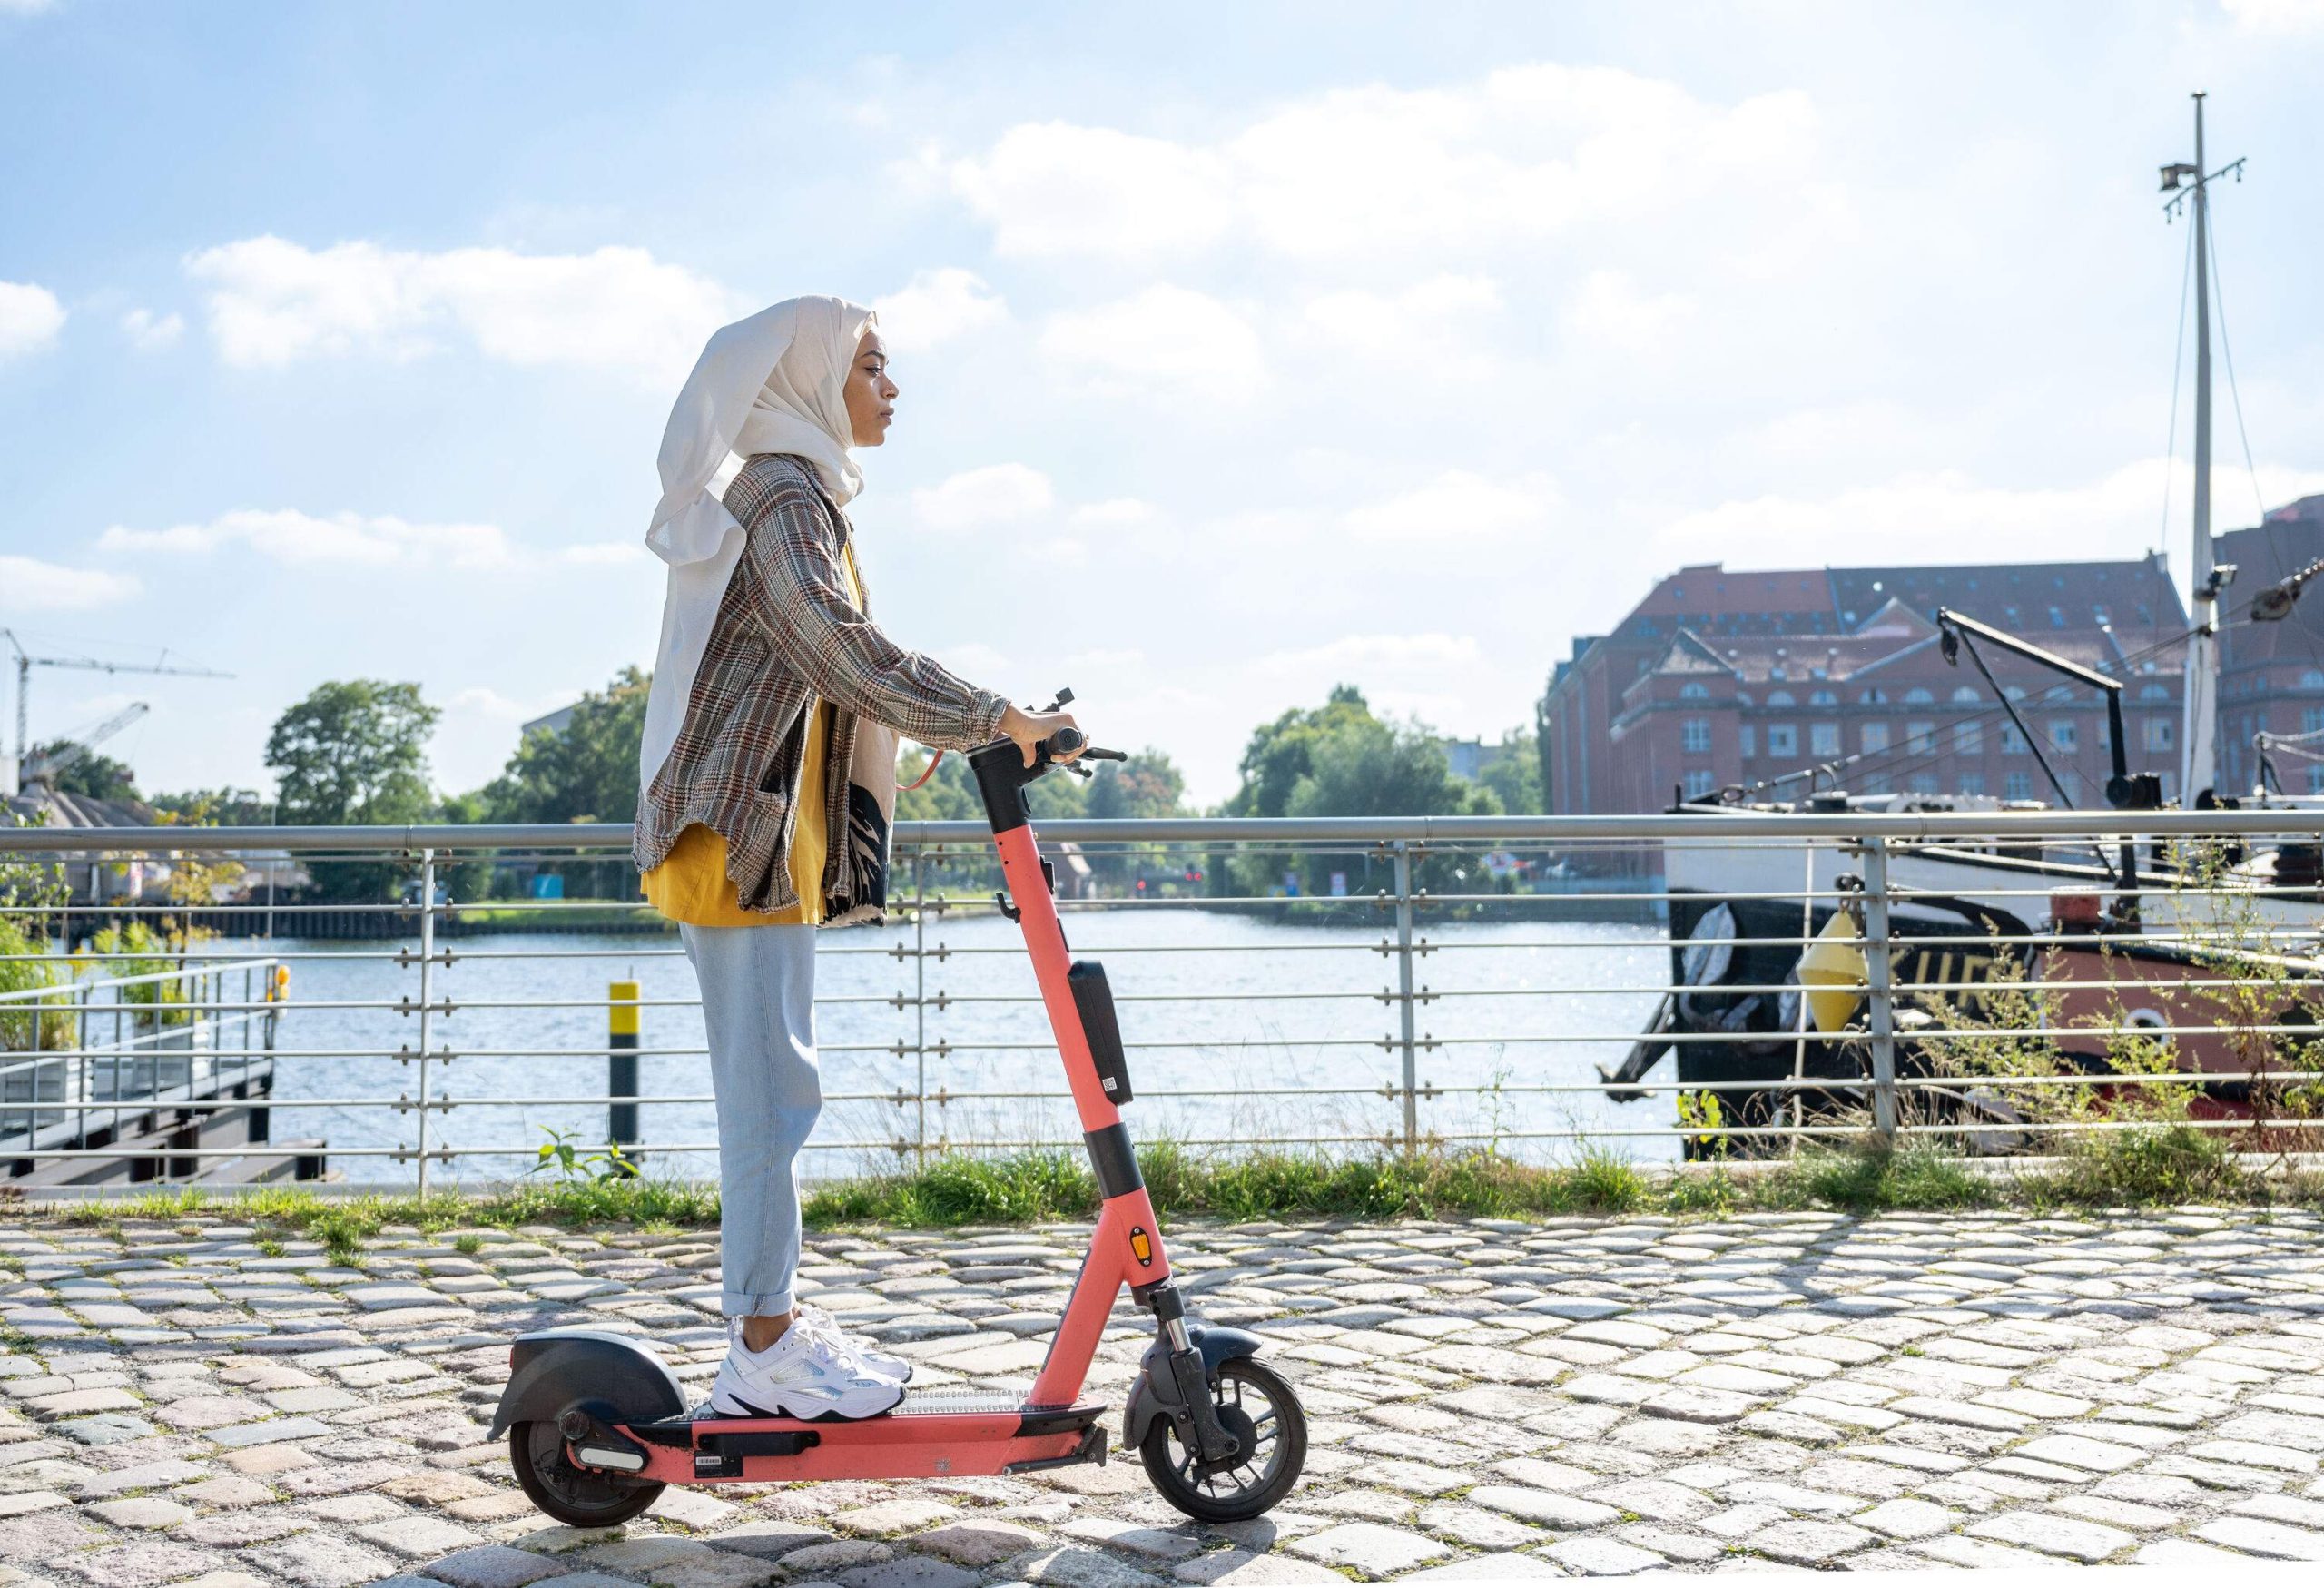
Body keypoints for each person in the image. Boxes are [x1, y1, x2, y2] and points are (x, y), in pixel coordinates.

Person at [635, 296, 1078, 1418]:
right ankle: (763, 1347)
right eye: (871, 367)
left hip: (756, 839)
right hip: (737, 837)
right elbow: (836, 645)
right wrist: (986, 716)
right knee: (767, 1093)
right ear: (808, 383)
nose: (891, 389)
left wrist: (925, 735)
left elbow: (821, 675)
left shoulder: (798, 498)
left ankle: (770, 1322)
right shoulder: (782, 499)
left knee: (776, 1084)